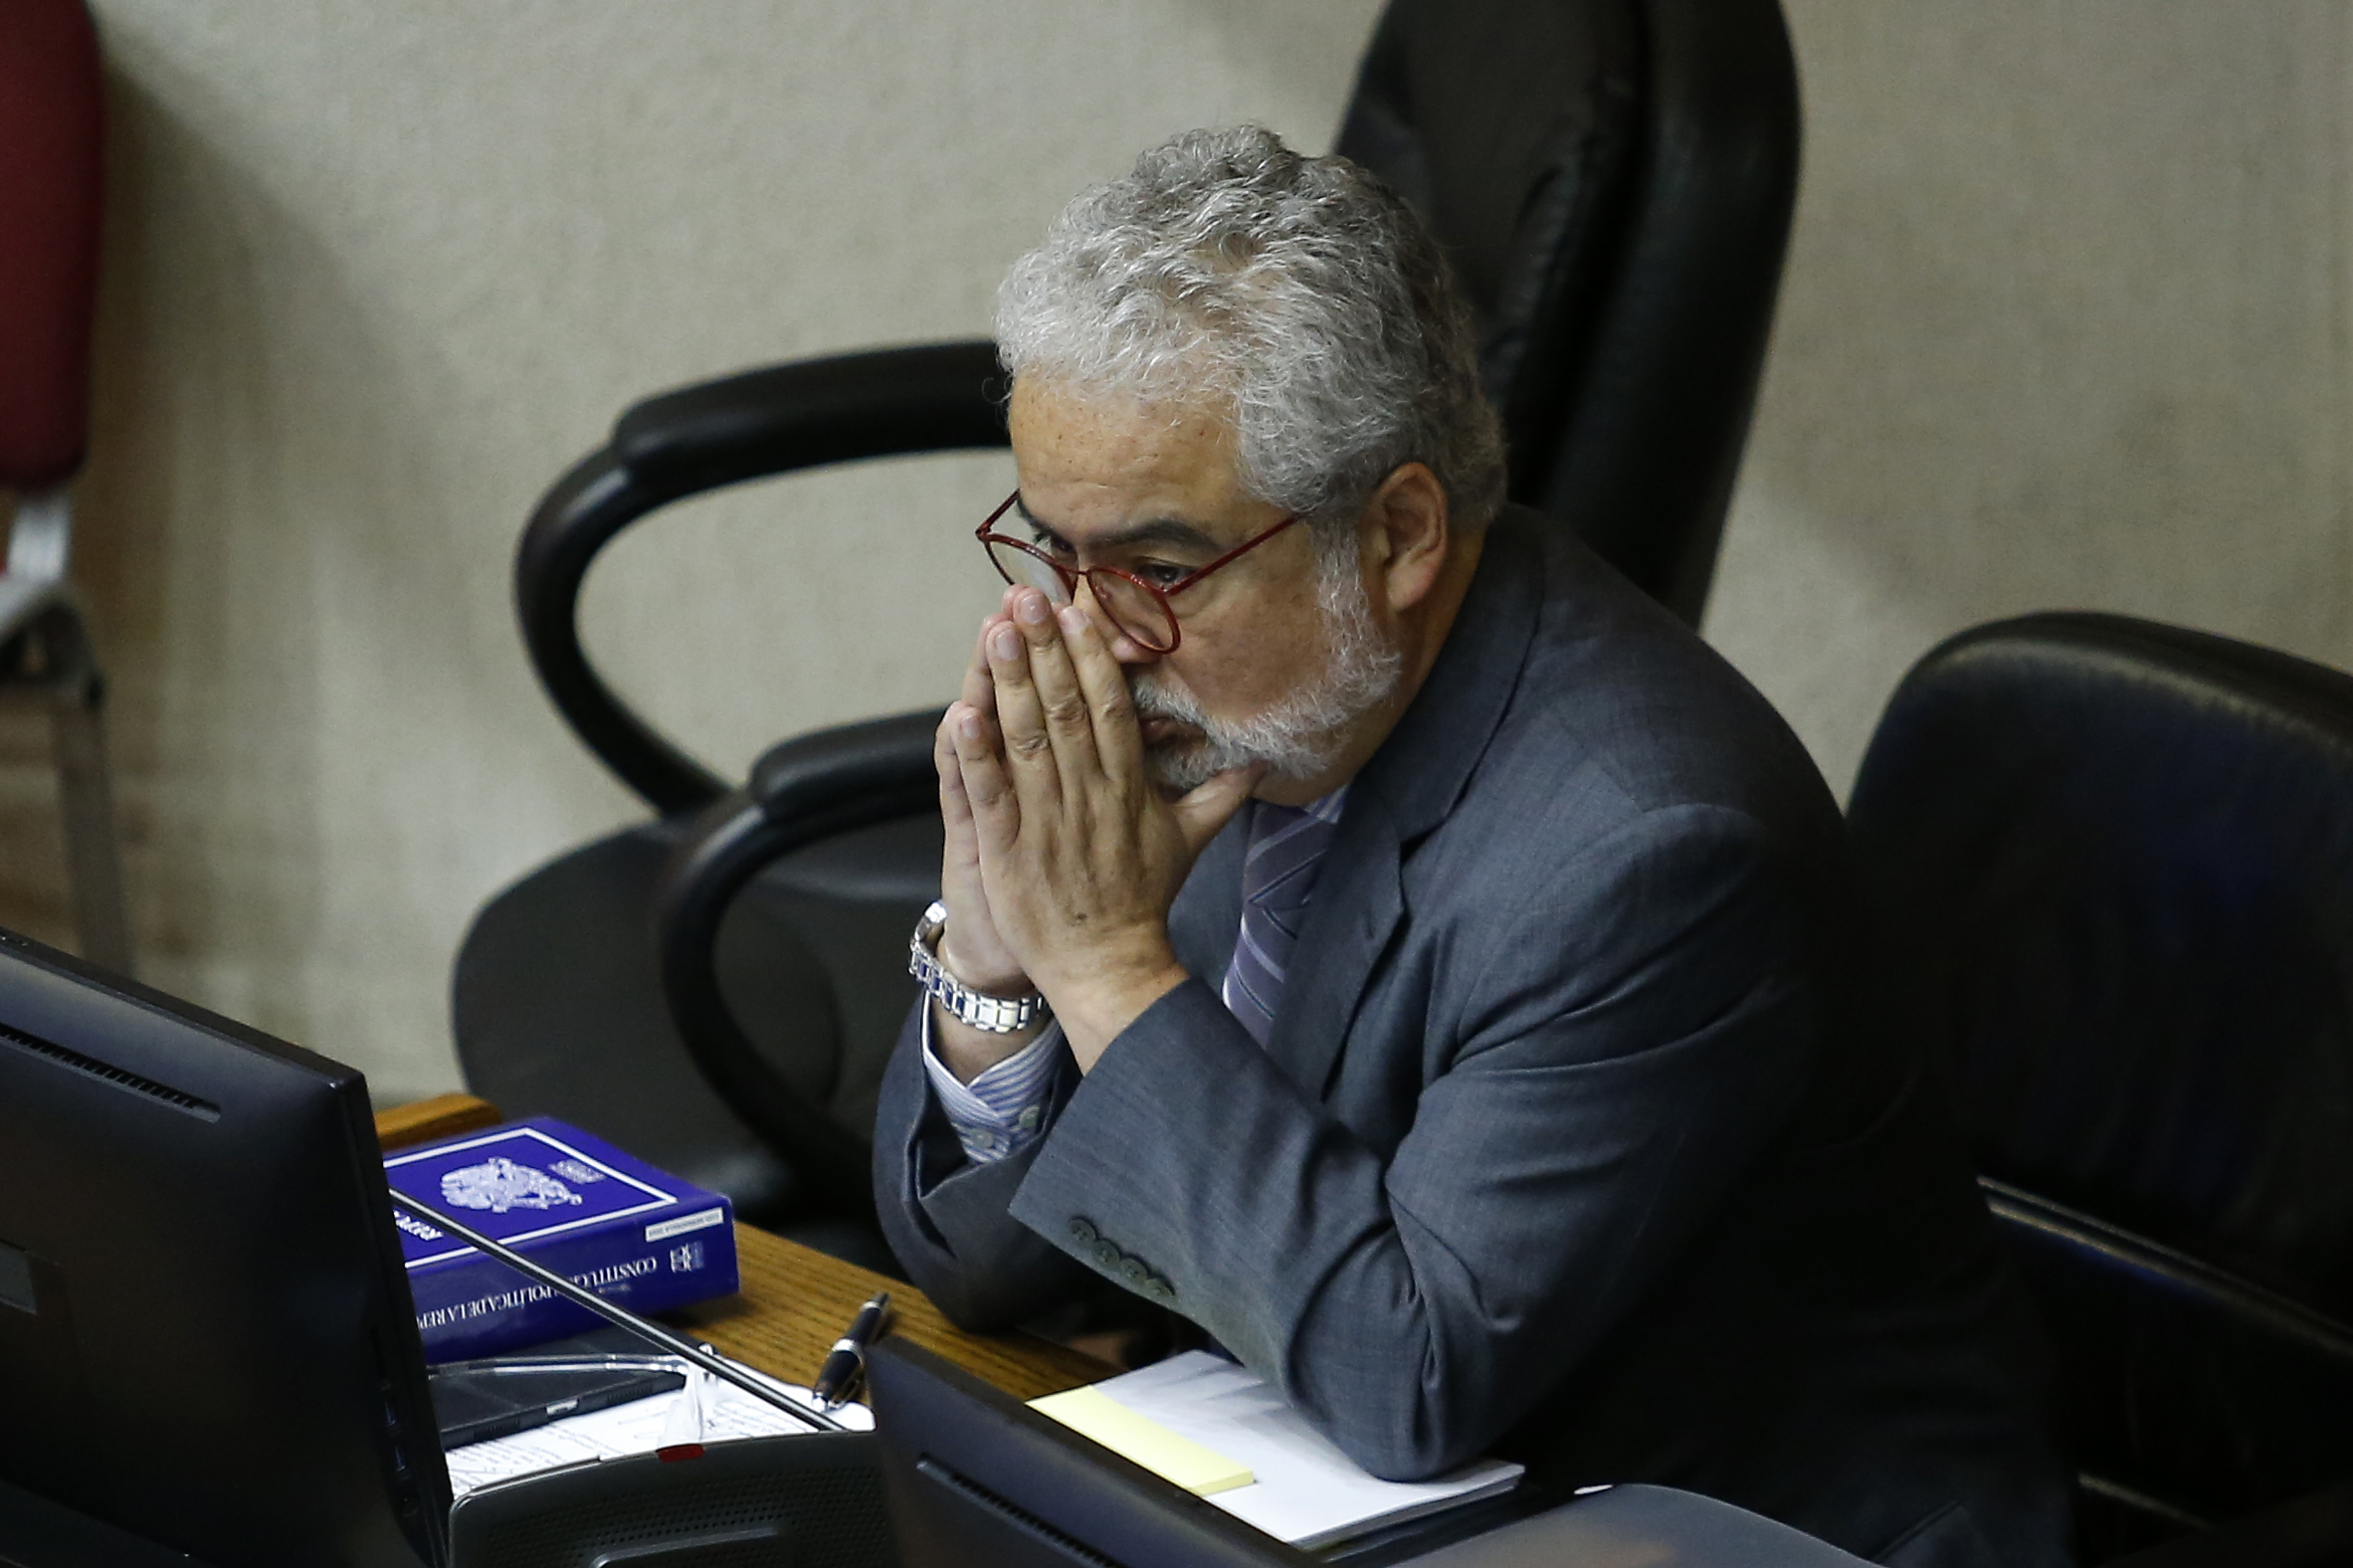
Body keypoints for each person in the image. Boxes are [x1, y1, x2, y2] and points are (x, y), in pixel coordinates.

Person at [872, 125, 2072, 1568]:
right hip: (1347, 1478)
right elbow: (981, 1266)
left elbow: (1410, 1378)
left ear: (1394, 534)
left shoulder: (1646, 855)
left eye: (1156, 566)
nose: (1086, 637)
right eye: (1053, 555)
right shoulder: (1231, 705)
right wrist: (999, 962)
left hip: (1730, 1531)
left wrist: (1109, 969)